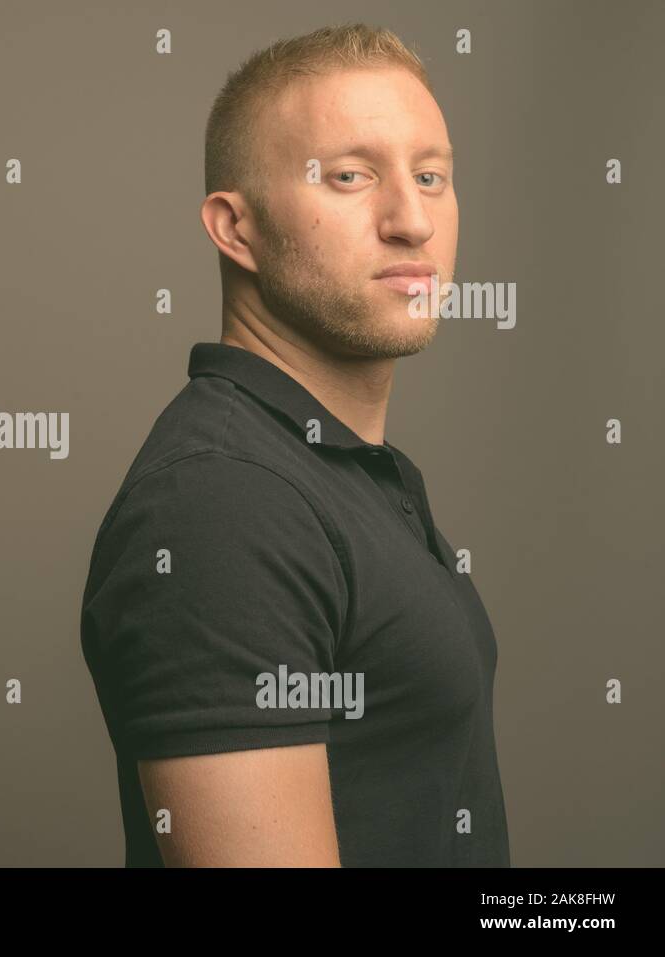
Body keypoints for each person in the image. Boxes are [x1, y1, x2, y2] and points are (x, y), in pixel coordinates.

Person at [79, 23, 510, 867]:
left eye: (431, 176)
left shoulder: (325, 468)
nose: (412, 220)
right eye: (351, 177)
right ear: (236, 229)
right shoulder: (225, 502)